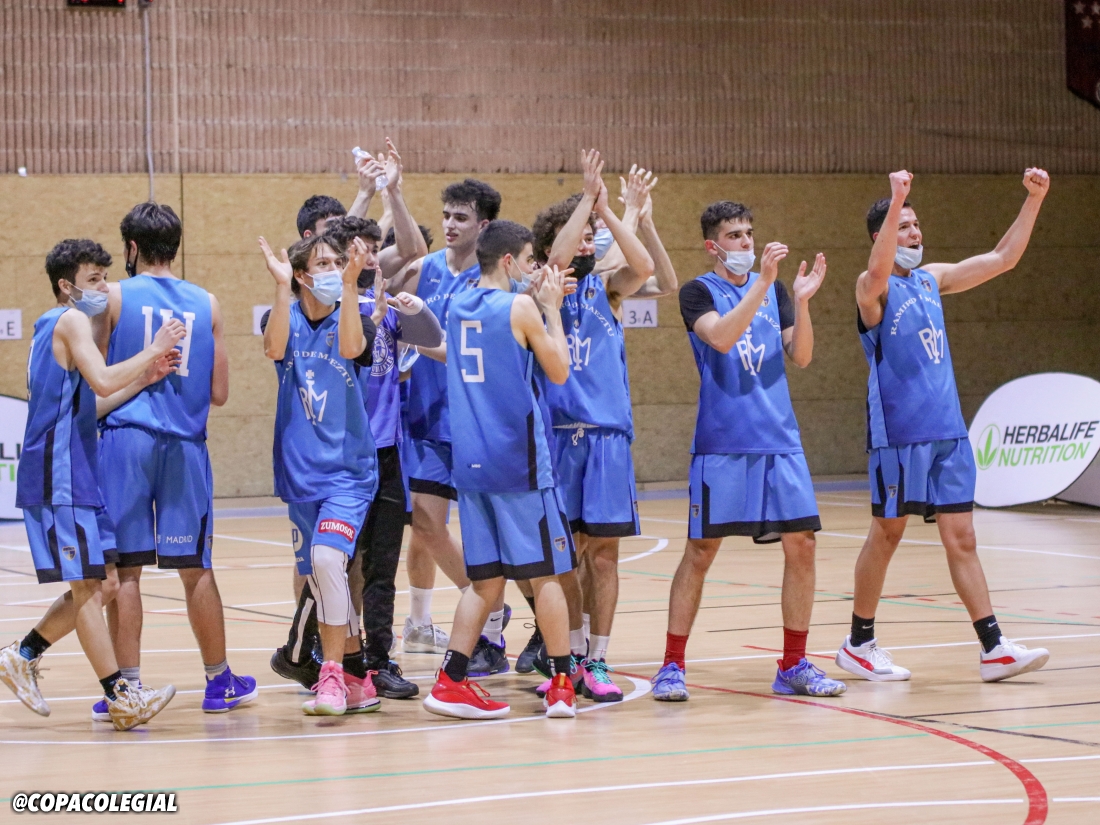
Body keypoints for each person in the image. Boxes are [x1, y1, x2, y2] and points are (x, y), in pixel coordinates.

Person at [836, 169, 1052, 683]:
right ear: (882, 236)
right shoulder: (872, 289)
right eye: (902, 226)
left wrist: (1034, 200)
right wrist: (896, 200)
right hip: (900, 435)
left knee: (964, 538)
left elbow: (1002, 259)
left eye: (915, 224)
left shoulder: (932, 279)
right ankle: (858, 642)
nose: (914, 232)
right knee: (886, 535)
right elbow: (878, 268)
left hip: (949, 433)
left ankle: (993, 646)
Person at [651, 200, 846, 702]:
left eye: (749, 234)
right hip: (723, 444)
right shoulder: (698, 292)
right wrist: (760, 283)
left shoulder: (774, 290)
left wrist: (800, 303)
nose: (745, 243)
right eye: (735, 236)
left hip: (780, 440)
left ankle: (794, 663)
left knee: (802, 545)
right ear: (713, 245)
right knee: (701, 552)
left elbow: (800, 356)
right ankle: (672, 666)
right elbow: (719, 337)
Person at [0, 239, 181, 730]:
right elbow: (101, 381)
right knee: (88, 586)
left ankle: (23, 653)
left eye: (105, 276)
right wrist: (153, 350)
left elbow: (89, 404)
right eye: (94, 279)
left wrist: (142, 382)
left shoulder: (49, 326)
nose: (104, 287)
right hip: (58, 473)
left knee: (104, 584)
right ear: (67, 286)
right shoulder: (71, 319)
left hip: (73, 469)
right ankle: (121, 696)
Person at [98, 202, 256, 713]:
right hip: (184, 445)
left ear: (132, 247)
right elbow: (220, 392)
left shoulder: (114, 297)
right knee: (196, 568)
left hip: (124, 441)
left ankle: (126, 689)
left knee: (125, 572)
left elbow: (96, 380)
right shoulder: (206, 303)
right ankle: (218, 681)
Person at [423, 220, 578, 719]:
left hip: (470, 466)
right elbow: (559, 370)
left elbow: (465, 350)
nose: (536, 268)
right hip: (518, 463)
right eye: (531, 259)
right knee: (548, 573)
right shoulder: (523, 307)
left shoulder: (458, 302)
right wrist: (552, 307)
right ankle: (560, 681)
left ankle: (449, 680)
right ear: (509, 261)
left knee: (485, 584)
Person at [522, 151, 657, 700]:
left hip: (605, 437)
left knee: (602, 553)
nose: (585, 243)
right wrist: (585, 199)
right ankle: (569, 656)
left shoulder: (610, 288)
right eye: (579, 234)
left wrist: (612, 211)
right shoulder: (538, 291)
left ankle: (597, 660)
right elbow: (554, 255)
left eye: (590, 236)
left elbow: (645, 265)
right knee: (562, 553)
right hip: (557, 436)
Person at [384, 179, 510, 666]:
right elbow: (387, 313)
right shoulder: (424, 269)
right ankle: (486, 608)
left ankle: (492, 625)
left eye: (462, 217)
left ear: (485, 225)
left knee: (488, 533)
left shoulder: (496, 277)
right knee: (424, 521)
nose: (451, 225)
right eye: (447, 216)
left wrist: (423, 347)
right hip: (425, 418)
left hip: (479, 422)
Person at [259, 232, 381, 715]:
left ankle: (329, 677)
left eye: (337, 261)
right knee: (321, 577)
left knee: (330, 563)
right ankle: (356, 675)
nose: (332, 269)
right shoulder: (281, 318)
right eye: (322, 264)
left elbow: (352, 347)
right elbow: (273, 349)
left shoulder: (355, 319)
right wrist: (281, 286)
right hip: (299, 478)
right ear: (302, 274)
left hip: (348, 475)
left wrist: (350, 284)